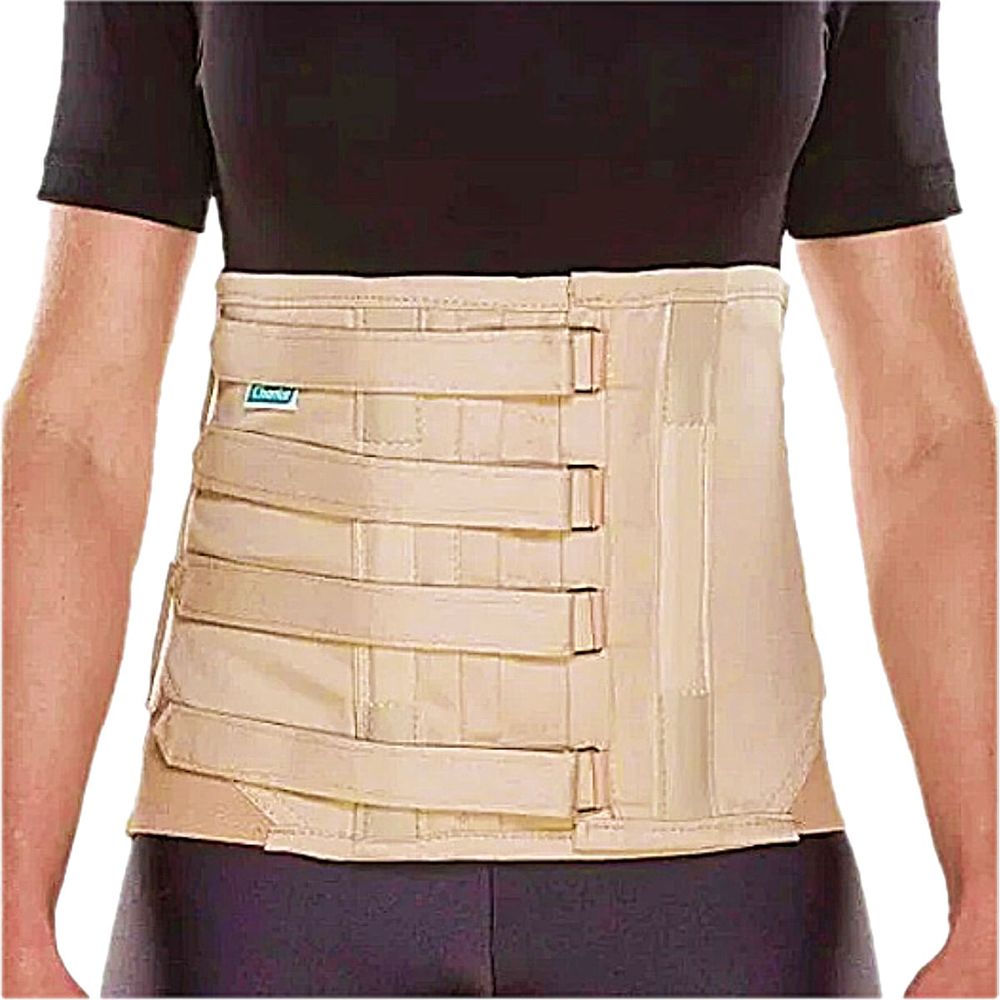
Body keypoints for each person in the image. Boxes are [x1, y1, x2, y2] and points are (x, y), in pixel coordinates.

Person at [3, 2, 995, 997]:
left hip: (725, 884)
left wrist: (990, 895)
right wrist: (12, 915)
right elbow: (79, 422)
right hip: (263, 879)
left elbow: (924, 428)